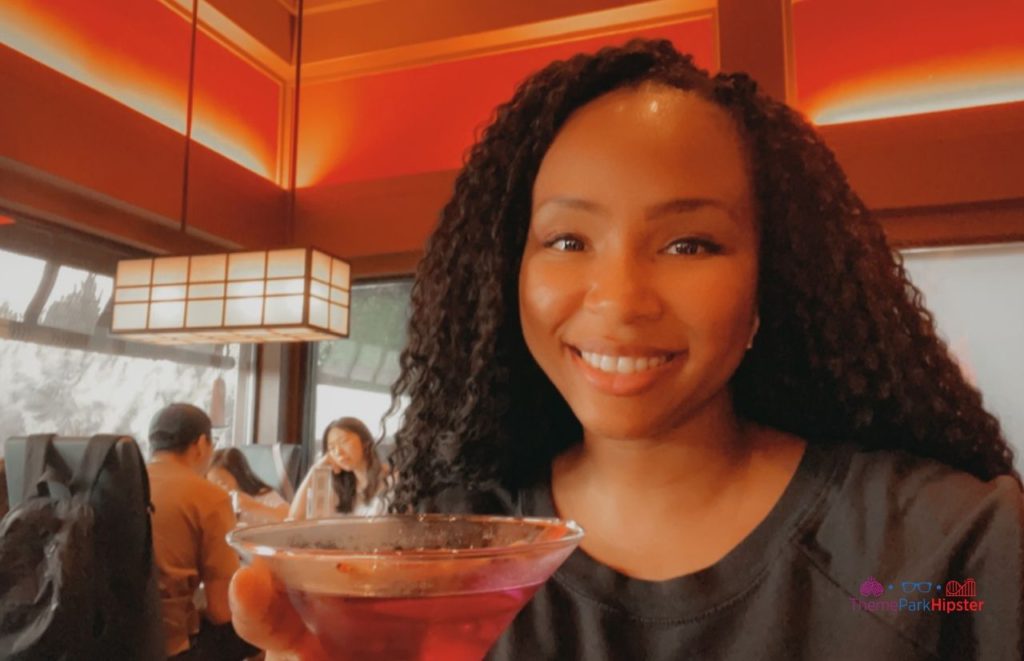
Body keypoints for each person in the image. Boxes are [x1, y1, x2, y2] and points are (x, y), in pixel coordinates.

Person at [229, 39, 1024, 660]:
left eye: (689, 244)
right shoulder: (452, 562)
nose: (619, 300)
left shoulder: (943, 559)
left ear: (768, 285)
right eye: (569, 238)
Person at [146, 403, 258, 660]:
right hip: (172, 646)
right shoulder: (209, 497)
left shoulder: (122, 483)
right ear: (200, 444)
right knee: (257, 630)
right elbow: (221, 611)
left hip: (110, 639)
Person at [288, 417, 389, 519]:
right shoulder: (338, 485)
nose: (338, 452)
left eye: (344, 442)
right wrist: (314, 469)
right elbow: (295, 518)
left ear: (365, 442)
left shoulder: (389, 480)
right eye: (331, 448)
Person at [207, 447, 290, 524]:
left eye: (222, 483)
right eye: (211, 484)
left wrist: (251, 505)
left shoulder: (261, 495)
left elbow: (288, 517)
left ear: (239, 476)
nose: (216, 489)